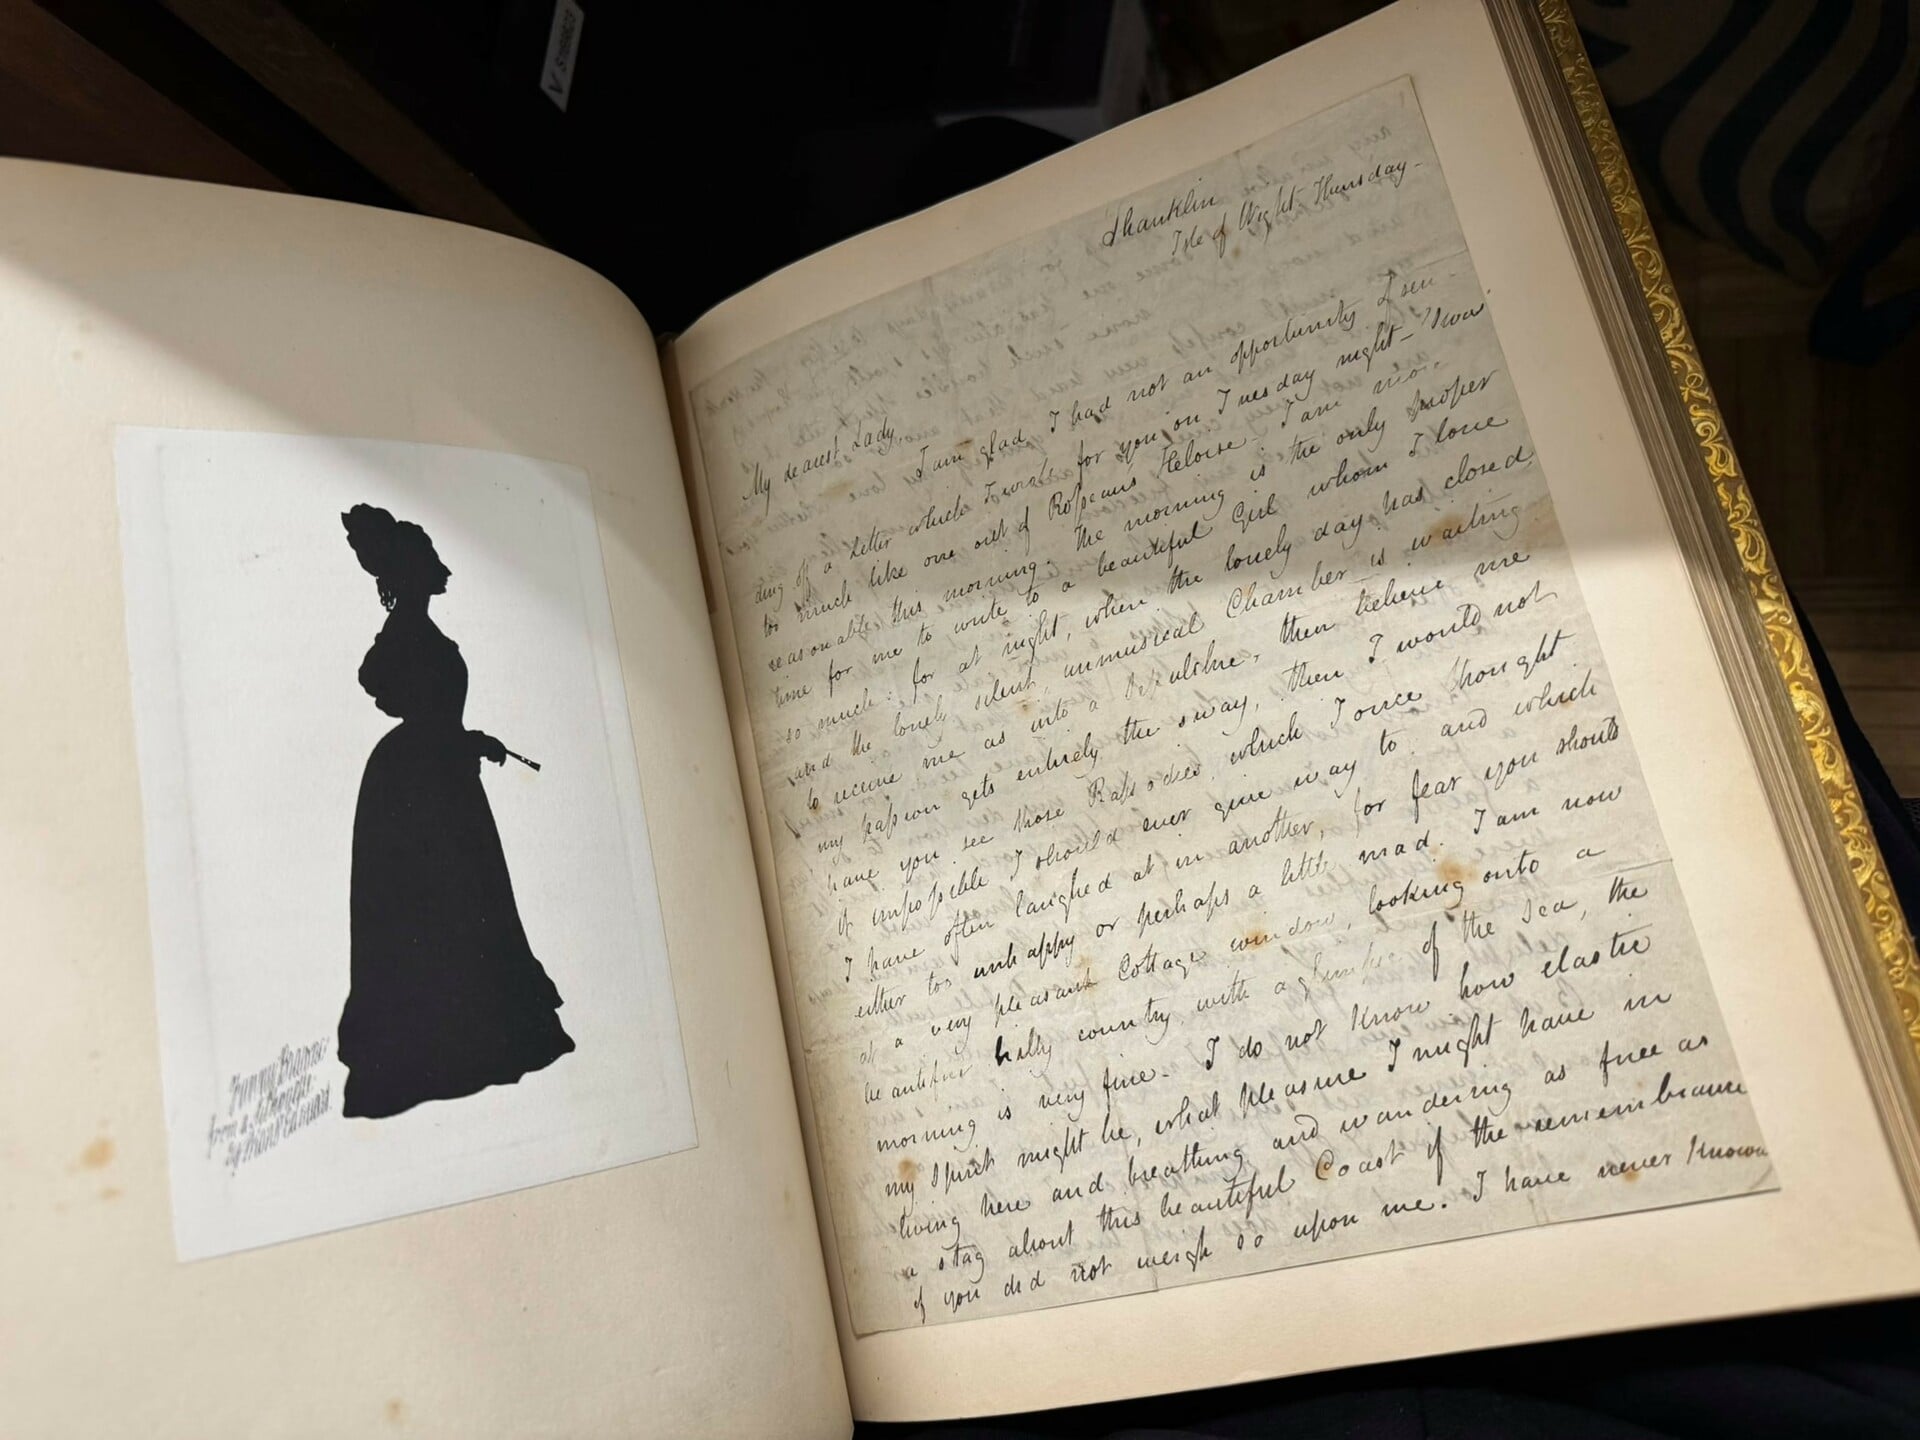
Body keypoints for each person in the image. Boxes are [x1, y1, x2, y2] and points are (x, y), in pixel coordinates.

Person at [337, 503, 574, 1118]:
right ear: (409, 572)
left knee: (461, 897)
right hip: (419, 780)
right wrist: (450, 736)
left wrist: (467, 738)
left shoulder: (416, 628)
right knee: (434, 897)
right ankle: (437, 1044)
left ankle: (465, 1035)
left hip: (437, 772)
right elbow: (380, 681)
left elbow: (425, 707)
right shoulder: (404, 630)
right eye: (425, 563)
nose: (435, 571)